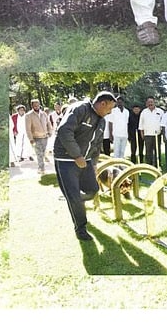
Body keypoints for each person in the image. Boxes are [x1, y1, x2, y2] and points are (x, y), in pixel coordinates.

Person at [53, 92, 117, 241]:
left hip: (86, 161)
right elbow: (64, 131)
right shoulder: (80, 109)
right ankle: (81, 229)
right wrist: (77, 155)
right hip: (66, 160)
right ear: (103, 104)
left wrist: (94, 163)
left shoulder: (102, 121)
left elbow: (97, 143)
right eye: (110, 108)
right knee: (74, 196)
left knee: (93, 189)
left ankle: (75, 200)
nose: (110, 112)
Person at [25, 100, 51, 174]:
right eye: (35, 105)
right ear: (32, 106)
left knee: (43, 153)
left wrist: (50, 132)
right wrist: (31, 139)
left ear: (40, 105)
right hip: (36, 137)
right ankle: (41, 168)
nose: (36, 106)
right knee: (39, 153)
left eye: (38, 105)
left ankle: (41, 166)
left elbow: (48, 123)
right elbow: (28, 129)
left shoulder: (44, 114)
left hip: (45, 136)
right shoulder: (28, 115)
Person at [139, 97, 163, 168]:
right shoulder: (144, 112)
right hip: (147, 134)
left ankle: (157, 165)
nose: (150, 103)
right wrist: (142, 134)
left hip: (157, 135)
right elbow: (141, 124)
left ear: (154, 102)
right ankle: (148, 166)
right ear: (146, 103)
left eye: (151, 102)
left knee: (157, 151)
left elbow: (163, 123)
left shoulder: (160, 111)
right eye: (149, 102)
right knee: (148, 151)